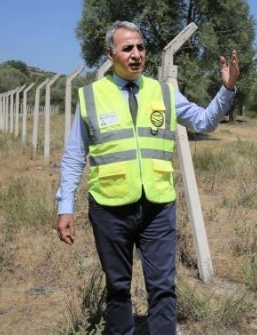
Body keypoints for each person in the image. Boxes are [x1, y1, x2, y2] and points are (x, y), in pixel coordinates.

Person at [55, 20, 238, 335]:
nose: (137, 54)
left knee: (163, 287)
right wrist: (65, 206)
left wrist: (228, 89)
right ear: (110, 54)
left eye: (141, 47)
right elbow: (74, 155)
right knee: (117, 287)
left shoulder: (163, 93)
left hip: (158, 207)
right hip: (110, 208)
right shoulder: (90, 96)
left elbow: (205, 121)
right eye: (128, 48)